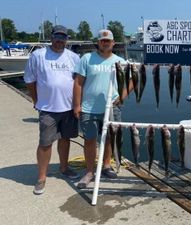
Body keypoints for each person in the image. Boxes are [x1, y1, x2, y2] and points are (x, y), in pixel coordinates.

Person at [24, 25, 80, 195]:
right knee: (45, 143)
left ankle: (64, 168)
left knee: (65, 139)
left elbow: (78, 82)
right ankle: (41, 177)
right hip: (48, 108)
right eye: (57, 36)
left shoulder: (74, 57)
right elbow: (29, 81)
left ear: (67, 39)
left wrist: (77, 104)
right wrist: (36, 100)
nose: (60, 40)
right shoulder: (38, 55)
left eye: (63, 37)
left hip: (69, 108)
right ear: (51, 37)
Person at [73, 29, 129, 189]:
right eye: (102, 40)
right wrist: (76, 105)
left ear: (113, 43)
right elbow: (78, 83)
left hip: (112, 107)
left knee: (110, 138)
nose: (105, 43)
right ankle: (89, 171)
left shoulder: (120, 61)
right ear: (97, 42)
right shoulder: (87, 59)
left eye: (108, 40)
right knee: (89, 140)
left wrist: (122, 96)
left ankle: (106, 165)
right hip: (89, 108)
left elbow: (133, 80)